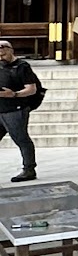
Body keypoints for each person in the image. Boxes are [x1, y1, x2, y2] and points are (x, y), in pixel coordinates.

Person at [0, 39, 43, 182]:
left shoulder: (22, 67)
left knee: (21, 139)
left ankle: (29, 169)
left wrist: (14, 94)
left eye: (3, 50)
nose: (1, 55)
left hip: (15, 109)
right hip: (1, 108)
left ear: (11, 50)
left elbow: (32, 89)